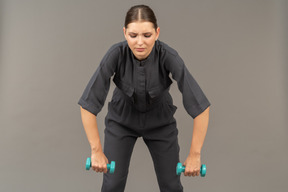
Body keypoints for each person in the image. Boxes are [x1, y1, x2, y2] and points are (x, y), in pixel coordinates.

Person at [78, 4, 211, 192]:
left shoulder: (169, 56)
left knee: (172, 186)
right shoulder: (115, 54)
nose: (140, 42)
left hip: (161, 123)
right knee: (112, 185)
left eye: (147, 35)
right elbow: (88, 105)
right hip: (121, 121)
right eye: (133, 35)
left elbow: (201, 107)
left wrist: (195, 155)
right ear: (125, 33)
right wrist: (96, 151)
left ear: (157, 33)